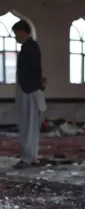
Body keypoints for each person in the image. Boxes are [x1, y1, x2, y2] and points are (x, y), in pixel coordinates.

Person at [12, 20, 46, 169]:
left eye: (16, 33)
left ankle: (28, 157)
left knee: (29, 126)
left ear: (23, 32)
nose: (15, 37)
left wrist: (33, 87)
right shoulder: (28, 46)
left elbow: (34, 70)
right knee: (27, 125)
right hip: (28, 89)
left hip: (30, 90)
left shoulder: (30, 46)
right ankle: (29, 156)